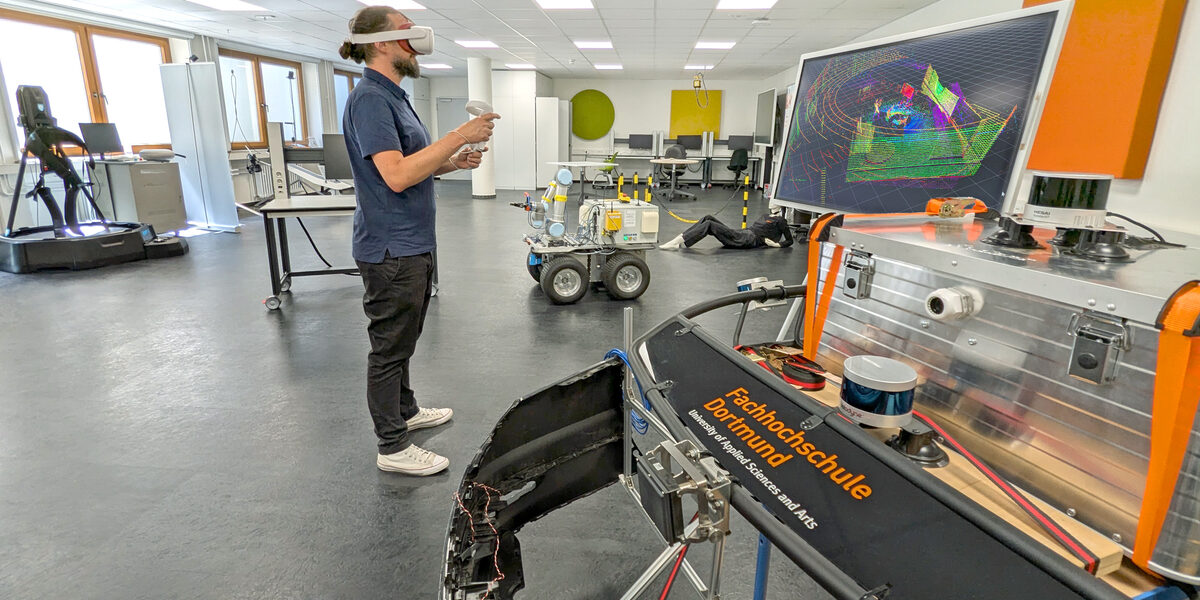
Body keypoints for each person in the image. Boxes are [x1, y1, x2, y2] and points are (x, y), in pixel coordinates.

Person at [339, 6, 499, 476]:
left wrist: (453, 160)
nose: (415, 41)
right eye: (405, 32)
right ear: (381, 43)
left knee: (404, 339)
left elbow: (413, 166)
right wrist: (459, 134)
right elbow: (395, 176)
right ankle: (392, 446)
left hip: (412, 242)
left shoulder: (394, 96)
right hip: (391, 248)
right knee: (389, 348)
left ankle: (405, 411)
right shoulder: (370, 99)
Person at [658, 213, 794, 250]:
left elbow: (789, 241)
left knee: (710, 225)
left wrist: (776, 245)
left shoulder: (781, 221)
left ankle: (676, 242)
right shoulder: (766, 215)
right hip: (744, 233)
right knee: (708, 217)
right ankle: (681, 240)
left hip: (749, 240)